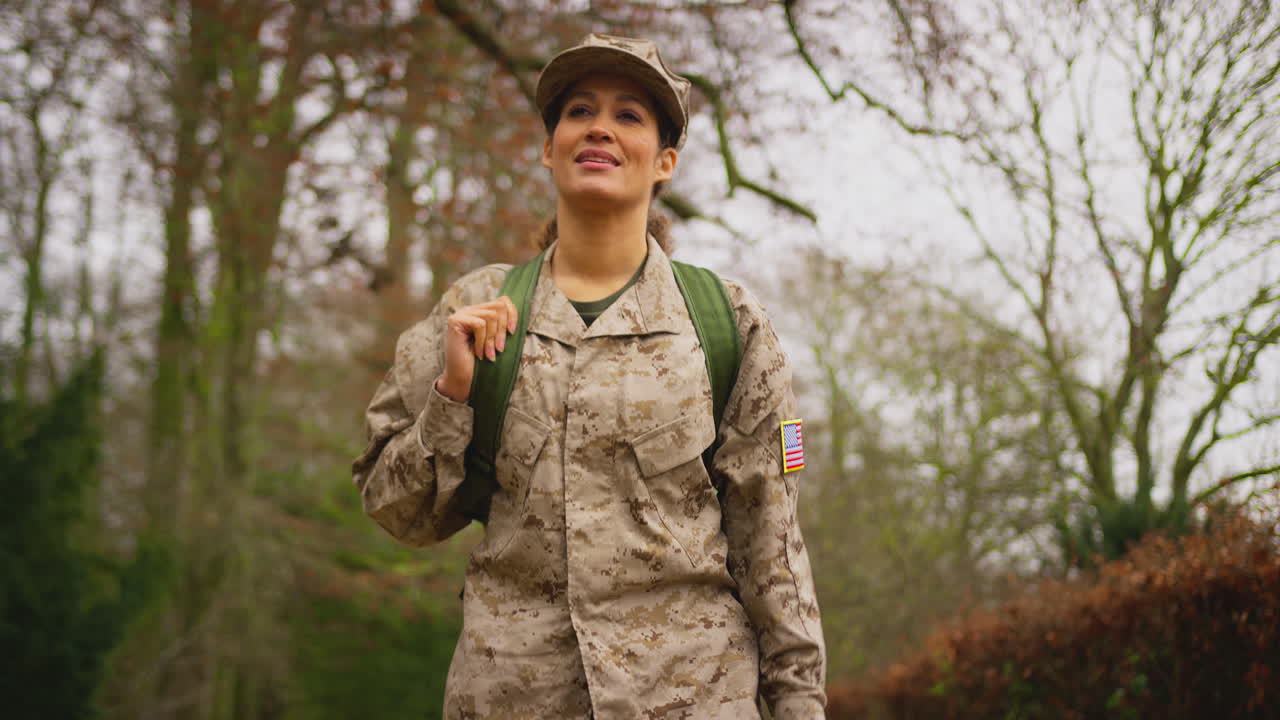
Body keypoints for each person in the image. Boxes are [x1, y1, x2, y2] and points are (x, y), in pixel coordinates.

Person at [352, 33, 827, 720]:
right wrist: (450, 395)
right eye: (578, 111)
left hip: (693, 697)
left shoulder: (727, 323)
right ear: (550, 149)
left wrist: (800, 707)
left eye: (629, 115)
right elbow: (397, 511)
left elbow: (773, 547)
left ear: (664, 161)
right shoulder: (475, 312)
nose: (599, 127)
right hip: (513, 699)